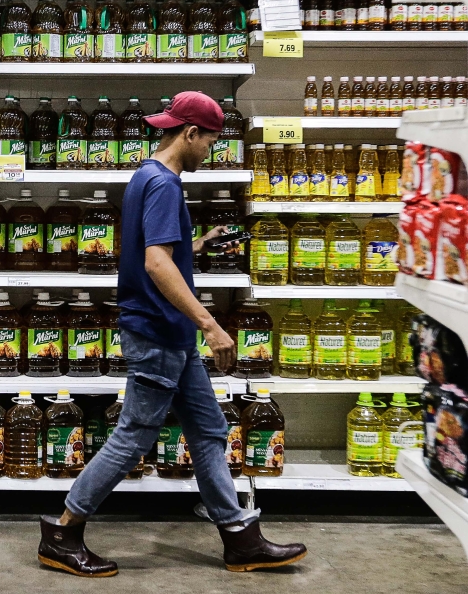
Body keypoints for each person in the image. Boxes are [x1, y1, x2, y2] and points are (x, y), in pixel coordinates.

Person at [37, 91, 307, 576]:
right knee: (133, 436)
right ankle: (62, 532)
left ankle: (239, 536)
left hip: (171, 334)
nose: (211, 151)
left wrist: (198, 242)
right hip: (160, 332)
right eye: (210, 142)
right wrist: (210, 323)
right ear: (190, 133)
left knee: (207, 430)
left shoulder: (147, 176)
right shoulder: (164, 184)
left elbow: (158, 248)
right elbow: (155, 261)